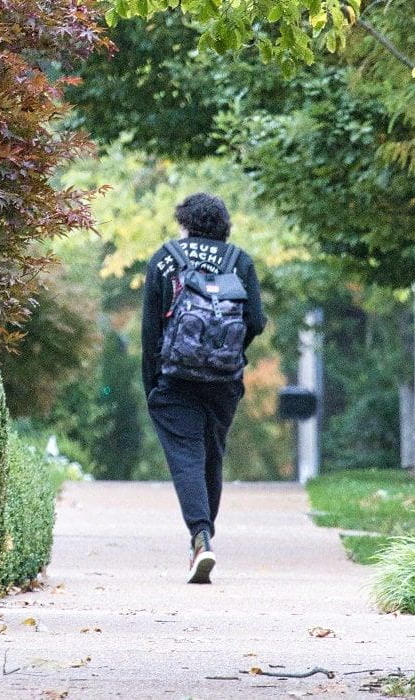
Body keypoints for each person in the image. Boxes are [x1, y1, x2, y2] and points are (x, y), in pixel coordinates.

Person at [141, 192, 267, 584]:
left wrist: (153, 384)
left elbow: (151, 331)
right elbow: (257, 321)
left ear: (186, 224)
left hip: (175, 379)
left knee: (186, 456)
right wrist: (228, 354)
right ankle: (204, 536)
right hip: (224, 380)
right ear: (223, 225)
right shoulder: (239, 261)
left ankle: (200, 537)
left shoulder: (165, 259)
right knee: (212, 454)